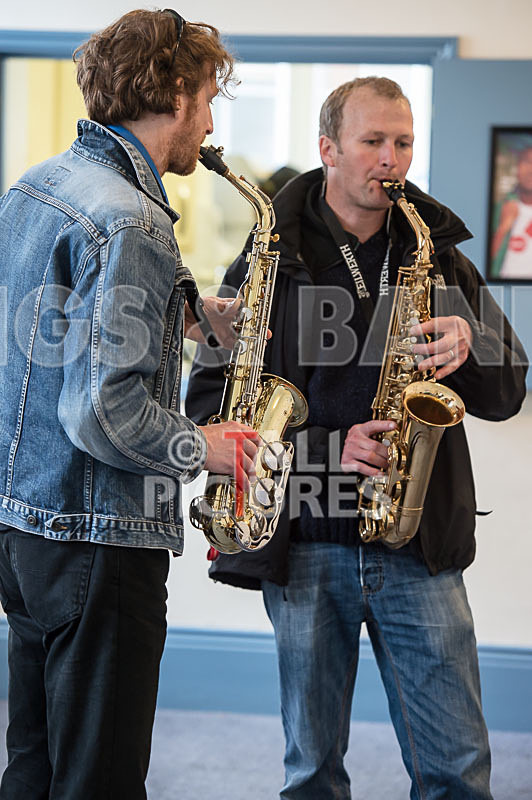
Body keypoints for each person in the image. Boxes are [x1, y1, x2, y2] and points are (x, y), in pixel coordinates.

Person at [186, 77, 528, 800]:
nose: (390, 160)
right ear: (328, 149)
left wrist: (477, 340)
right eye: (372, 141)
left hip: (418, 548)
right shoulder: (265, 262)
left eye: (402, 143)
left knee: (459, 771)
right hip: (308, 541)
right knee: (311, 772)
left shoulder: (439, 257)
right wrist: (327, 450)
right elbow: (210, 407)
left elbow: (505, 397)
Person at [0, 9, 261, 800]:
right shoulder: (132, 219)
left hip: (24, 529)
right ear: (176, 92)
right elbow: (101, 411)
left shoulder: (40, 184)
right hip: (98, 544)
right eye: (211, 99)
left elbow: (47, 340)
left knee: (35, 768)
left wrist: (186, 317)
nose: (211, 124)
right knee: (100, 780)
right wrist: (203, 445)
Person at [491, 145, 532, 278]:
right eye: (527, 162)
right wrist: (503, 229)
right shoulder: (500, 208)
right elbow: (479, 261)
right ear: (517, 168)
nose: (530, 170)